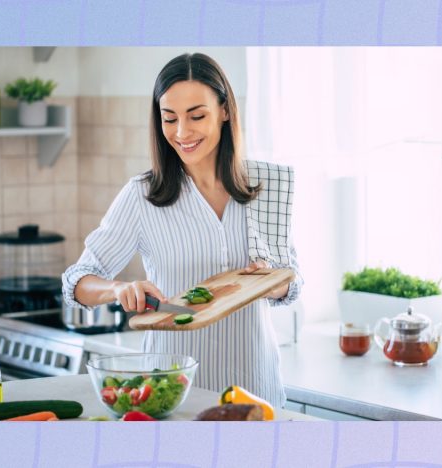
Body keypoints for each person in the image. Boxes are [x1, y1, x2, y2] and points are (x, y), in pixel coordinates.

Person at [63, 52, 302, 407]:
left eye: (196, 116)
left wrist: (276, 282)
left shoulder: (267, 185)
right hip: (173, 395)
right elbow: (77, 280)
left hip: (257, 392)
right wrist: (118, 289)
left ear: (224, 111)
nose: (181, 133)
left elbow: (290, 283)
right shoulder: (142, 196)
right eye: (169, 118)